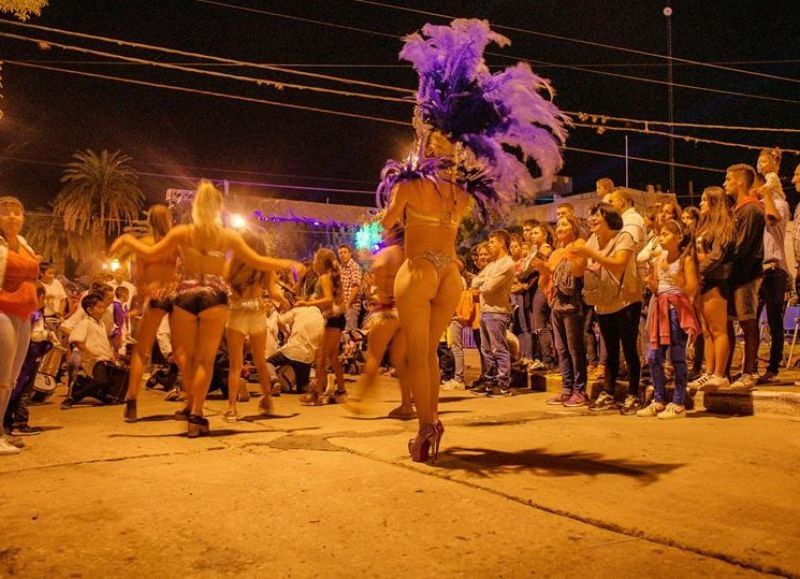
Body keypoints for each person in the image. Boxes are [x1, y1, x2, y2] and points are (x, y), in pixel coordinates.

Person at [377, 19, 565, 462]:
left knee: (420, 356)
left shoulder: (409, 184)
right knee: (432, 355)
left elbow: (387, 224)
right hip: (451, 275)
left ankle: (428, 426)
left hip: (419, 269)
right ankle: (432, 422)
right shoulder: (462, 191)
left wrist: (400, 178)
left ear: (426, 142)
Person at [110, 181, 300, 437]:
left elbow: (151, 250)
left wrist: (126, 240)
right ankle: (196, 415)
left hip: (185, 296)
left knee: (186, 357)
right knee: (205, 360)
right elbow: (256, 260)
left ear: (197, 206)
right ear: (218, 208)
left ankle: (181, 403)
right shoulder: (227, 236)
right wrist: (288, 263)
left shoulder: (183, 233)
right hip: (213, 296)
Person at [573, 203, 643, 414]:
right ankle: (609, 393)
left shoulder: (624, 237)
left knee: (629, 349)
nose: (592, 219)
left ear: (609, 217)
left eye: (597, 215)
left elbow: (618, 264)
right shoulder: (592, 240)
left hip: (626, 300)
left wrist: (589, 252)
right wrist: (576, 257)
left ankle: (633, 395)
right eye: (591, 215)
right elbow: (579, 271)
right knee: (610, 350)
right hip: (603, 302)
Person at [117, 205, 178, 422]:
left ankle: (132, 399)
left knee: (141, 351)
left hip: (155, 295)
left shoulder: (144, 245)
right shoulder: (175, 242)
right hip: (175, 294)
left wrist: (141, 303)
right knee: (182, 349)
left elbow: (141, 280)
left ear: (150, 222)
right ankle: (190, 401)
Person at [638, 219, 700, 419]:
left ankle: (679, 402)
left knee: (677, 356)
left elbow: (691, 288)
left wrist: (678, 282)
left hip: (677, 309)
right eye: (660, 234)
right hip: (660, 307)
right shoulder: (659, 259)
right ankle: (658, 399)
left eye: (665, 234)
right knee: (654, 356)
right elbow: (657, 287)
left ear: (679, 237)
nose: (661, 238)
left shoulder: (685, 259)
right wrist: (651, 283)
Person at [224, 231, 288, 422]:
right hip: (257, 311)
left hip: (237, 312)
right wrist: (284, 300)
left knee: (235, 364)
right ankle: (267, 400)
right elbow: (274, 292)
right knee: (261, 361)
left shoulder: (233, 264)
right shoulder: (264, 266)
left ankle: (232, 408)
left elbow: (224, 285)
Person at [351, 225, 413, 418]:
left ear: (393, 234)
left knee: (373, 357)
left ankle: (359, 401)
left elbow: (378, 268)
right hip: (404, 311)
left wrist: (380, 289)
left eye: (385, 231)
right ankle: (406, 405)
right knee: (400, 361)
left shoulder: (387, 253)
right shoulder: (409, 256)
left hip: (387, 310)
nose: (382, 234)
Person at [532, 215, 588, 406]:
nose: (561, 227)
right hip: (556, 303)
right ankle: (566, 389)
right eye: (559, 224)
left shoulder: (579, 245)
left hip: (572, 303)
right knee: (562, 349)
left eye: (565, 224)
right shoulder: (557, 252)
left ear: (574, 228)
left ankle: (580, 391)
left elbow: (577, 271)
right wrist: (543, 269)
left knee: (574, 348)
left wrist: (549, 267)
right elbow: (544, 281)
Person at [0, 196, 39, 456]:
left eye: (18, 212)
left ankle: (1, 430)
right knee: (1, 376)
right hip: (3, 312)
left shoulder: (24, 245)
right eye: (6, 212)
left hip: (24, 316)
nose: (13, 217)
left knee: (11, 379)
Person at [723, 164, 765, 390]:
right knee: (729, 322)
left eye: (728, 179)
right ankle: (725, 371)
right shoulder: (738, 209)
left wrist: (719, 256)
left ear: (740, 181)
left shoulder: (751, 209)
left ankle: (749, 372)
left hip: (746, 275)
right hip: (733, 276)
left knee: (748, 322)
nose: (725, 183)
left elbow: (741, 247)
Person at [691, 187, 735, 392]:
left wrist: (698, 269)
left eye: (704, 200)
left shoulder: (723, 226)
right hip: (703, 281)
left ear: (714, 202)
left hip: (717, 281)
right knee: (706, 331)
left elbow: (717, 255)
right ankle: (708, 372)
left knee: (718, 329)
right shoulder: (704, 226)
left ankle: (720, 374)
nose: (701, 204)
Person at [754, 148, 790, 384]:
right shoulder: (759, 204)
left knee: (775, 321)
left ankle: (774, 368)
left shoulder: (779, 204)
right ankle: (752, 365)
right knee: (751, 318)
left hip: (775, 268)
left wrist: (766, 193)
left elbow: (771, 218)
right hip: (758, 269)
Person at [296, 248, 348, 406]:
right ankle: (340, 391)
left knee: (322, 357)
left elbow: (328, 300)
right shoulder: (328, 277)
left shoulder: (324, 278)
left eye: (315, 260)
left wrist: (308, 303)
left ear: (320, 263)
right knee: (329, 357)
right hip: (336, 319)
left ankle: (318, 393)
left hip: (332, 319)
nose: (312, 263)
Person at [470, 230, 516, 397]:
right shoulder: (491, 265)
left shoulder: (507, 263)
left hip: (497, 312)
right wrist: (484, 283)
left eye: (492, 242)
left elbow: (488, 287)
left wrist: (483, 284)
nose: (489, 245)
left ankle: (503, 384)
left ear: (502, 243)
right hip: (485, 311)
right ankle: (489, 382)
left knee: (499, 349)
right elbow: (475, 281)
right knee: (486, 350)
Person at [61, 291, 118, 408]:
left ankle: (96, 393)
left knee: (107, 382)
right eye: (99, 307)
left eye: (103, 307)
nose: (103, 310)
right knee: (101, 381)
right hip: (94, 360)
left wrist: (111, 355)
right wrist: (89, 353)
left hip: (103, 358)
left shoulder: (100, 324)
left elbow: (105, 342)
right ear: (90, 310)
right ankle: (74, 397)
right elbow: (77, 340)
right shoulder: (85, 323)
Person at [267, 305, 325, 394]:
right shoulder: (321, 319)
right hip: (307, 358)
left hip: (292, 350)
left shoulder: (299, 309)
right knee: (302, 386)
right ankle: (310, 386)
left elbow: (280, 321)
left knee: (269, 362)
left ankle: (274, 380)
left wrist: (287, 332)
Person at [337, 244, 363, 332]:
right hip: (342, 307)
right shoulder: (340, 268)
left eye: (345, 252)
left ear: (350, 254)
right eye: (340, 253)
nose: (342, 255)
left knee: (350, 335)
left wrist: (348, 304)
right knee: (342, 335)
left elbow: (356, 288)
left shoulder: (354, 267)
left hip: (351, 306)